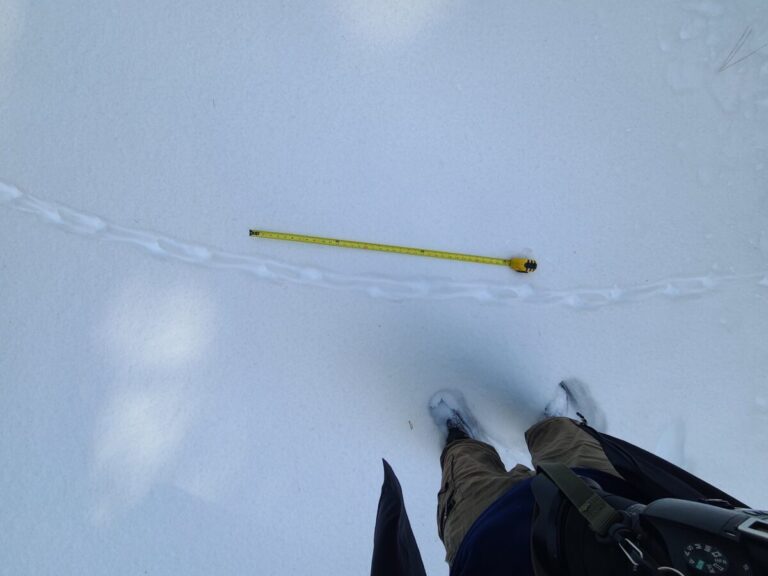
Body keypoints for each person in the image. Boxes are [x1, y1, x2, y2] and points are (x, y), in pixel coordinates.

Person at [370, 382, 764, 576]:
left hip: (489, 548)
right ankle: (553, 425)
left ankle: (460, 441)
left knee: (469, 481)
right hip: (607, 501)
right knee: (569, 446)